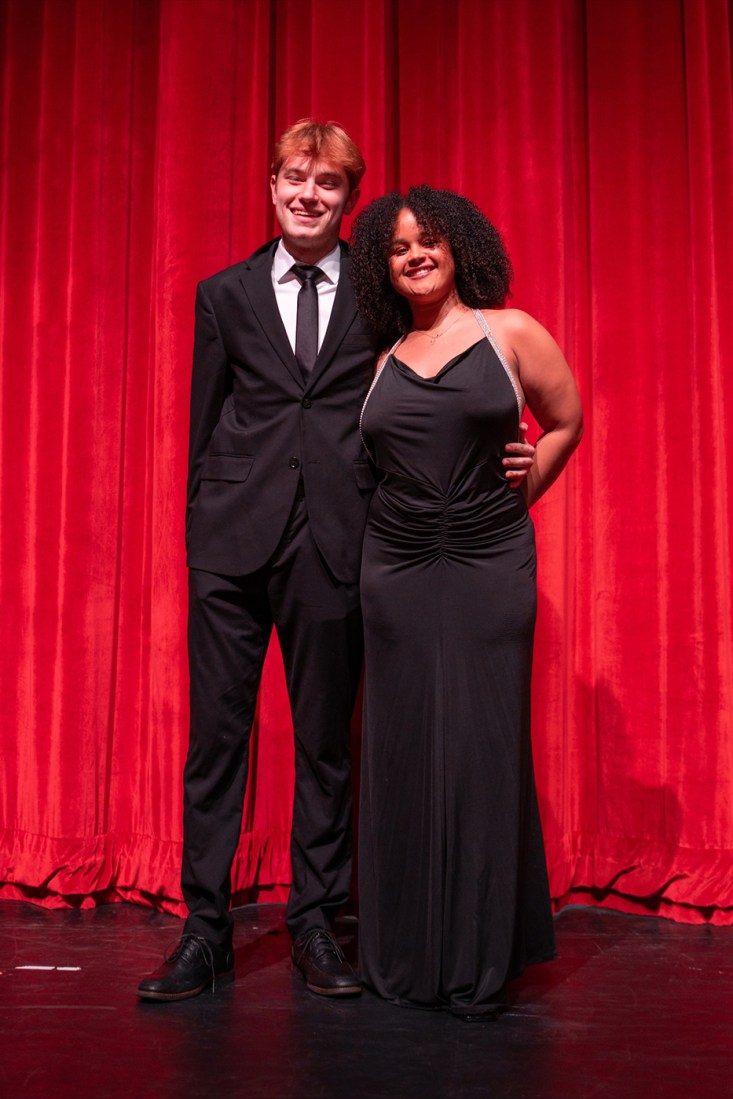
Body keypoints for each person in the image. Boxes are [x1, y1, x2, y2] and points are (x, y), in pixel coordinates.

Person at [137, 125, 535, 1004]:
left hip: (339, 541)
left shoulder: (376, 289)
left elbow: (440, 376)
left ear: (350, 200)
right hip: (232, 546)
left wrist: (511, 451)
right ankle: (205, 931)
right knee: (216, 742)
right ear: (272, 185)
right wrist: (202, 530)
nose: (307, 194)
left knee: (324, 746)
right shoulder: (223, 294)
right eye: (293, 177)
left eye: (325, 183)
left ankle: (316, 919)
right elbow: (205, 426)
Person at [349, 185, 583, 1019]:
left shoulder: (508, 331)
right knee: (402, 749)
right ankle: (405, 954)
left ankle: (480, 956)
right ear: (383, 266)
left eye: (429, 240)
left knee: (483, 747)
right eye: (397, 246)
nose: (414, 254)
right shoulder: (376, 362)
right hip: (397, 566)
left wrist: (527, 488)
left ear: (459, 248)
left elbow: (565, 418)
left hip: (487, 557)